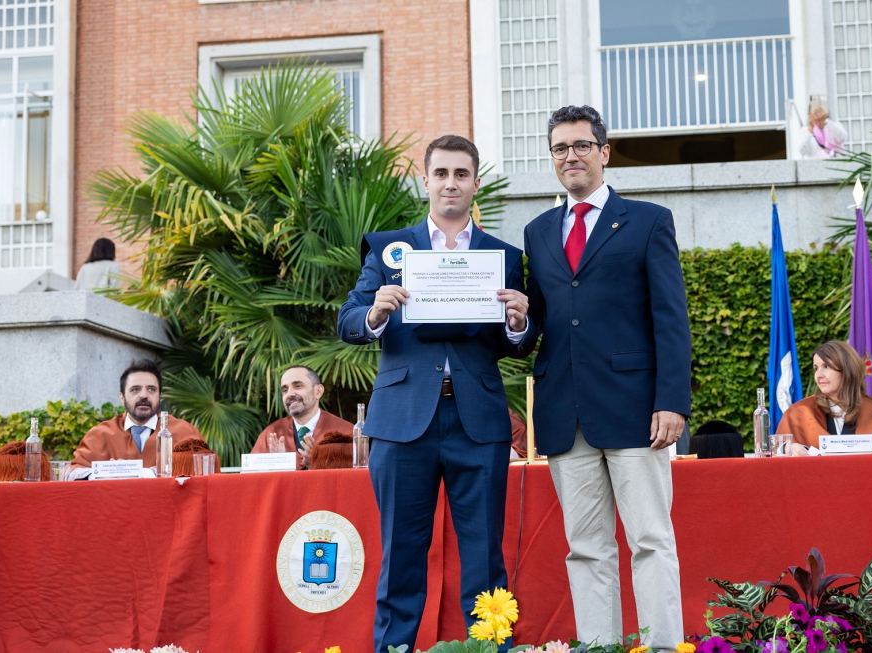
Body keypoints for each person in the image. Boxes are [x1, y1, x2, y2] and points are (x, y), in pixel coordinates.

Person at [337, 135, 536, 653]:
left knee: (486, 559)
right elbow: (348, 320)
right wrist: (375, 314)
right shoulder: (388, 248)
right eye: (441, 173)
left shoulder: (504, 255)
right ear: (425, 181)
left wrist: (519, 324)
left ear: (475, 183)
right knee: (401, 555)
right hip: (404, 420)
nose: (451, 183)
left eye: (462, 174)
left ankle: (489, 649)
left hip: (479, 421)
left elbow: (515, 341)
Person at [523, 105, 691, 650]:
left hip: (636, 411)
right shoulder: (538, 231)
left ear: (604, 151)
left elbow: (670, 318)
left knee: (650, 539)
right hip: (564, 414)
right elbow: (544, 322)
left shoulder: (648, 220)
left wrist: (672, 401)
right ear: (552, 158)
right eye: (559, 148)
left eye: (580, 145)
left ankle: (664, 645)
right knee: (586, 547)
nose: (570, 155)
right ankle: (598, 646)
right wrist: (519, 323)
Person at [70, 359, 202, 478]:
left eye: (151, 389)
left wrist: (144, 473)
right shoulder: (100, 434)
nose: (144, 395)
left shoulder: (184, 432)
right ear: (122, 397)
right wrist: (108, 472)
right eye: (135, 389)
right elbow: (73, 472)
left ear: (159, 396)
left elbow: (201, 468)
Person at [776, 340, 872, 451]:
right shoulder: (799, 413)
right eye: (816, 368)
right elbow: (776, 454)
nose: (818, 375)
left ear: (848, 370)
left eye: (826, 366)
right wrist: (788, 449)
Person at [249, 365, 354, 469]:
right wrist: (277, 466)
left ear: (318, 391)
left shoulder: (345, 433)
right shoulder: (272, 434)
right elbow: (252, 480)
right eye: (285, 390)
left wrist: (315, 464)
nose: (289, 394)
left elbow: (356, 479)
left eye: (298, 386)